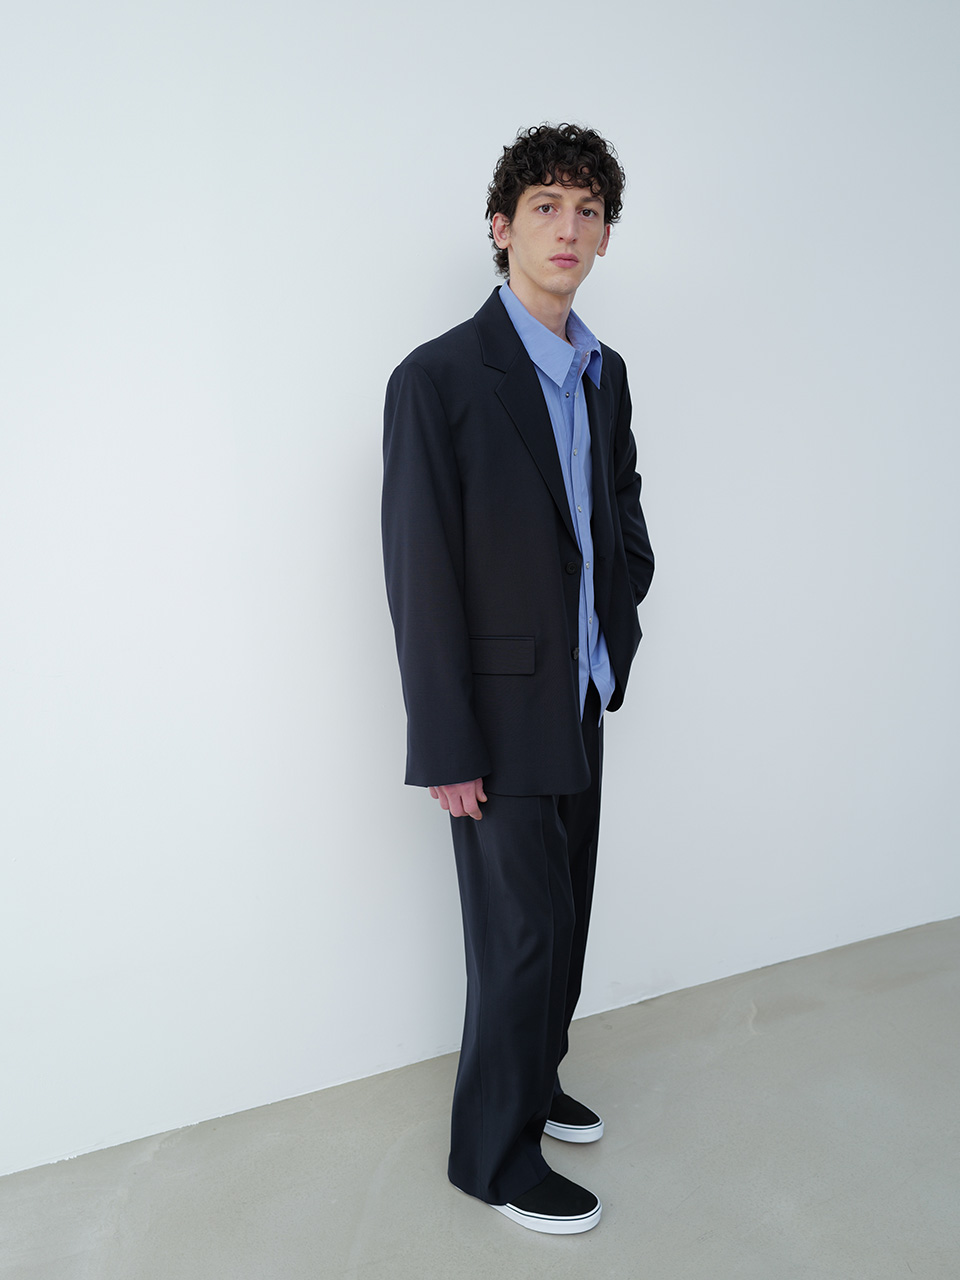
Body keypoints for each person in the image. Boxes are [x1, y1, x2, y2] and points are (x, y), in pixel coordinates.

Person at [381, 122, 654, 1235]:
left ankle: (534, 1084)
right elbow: (419, 570)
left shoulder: (603, 372)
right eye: (546, 205)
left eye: (588, 210)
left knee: (566, 921)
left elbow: (619, 506)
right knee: (518, 940)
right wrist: (445, 744)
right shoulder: (438, 378)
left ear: (604, 235)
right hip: (491, 720)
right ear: (502, 228)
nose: (568, 228)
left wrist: (618, 617)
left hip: (578, 693)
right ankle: (491, 1159)